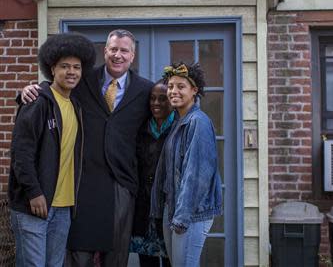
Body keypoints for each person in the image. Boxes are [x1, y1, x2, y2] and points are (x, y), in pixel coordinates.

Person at [20, 29, 153, 266]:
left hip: (121, 184)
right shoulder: (82, 79)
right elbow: (53, 90)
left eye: (124, 50)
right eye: (113, 49)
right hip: (81, 182)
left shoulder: (145, 90)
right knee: (77, 255)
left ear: (133, 55)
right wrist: (28, 92)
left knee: (116, 256)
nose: (118, 55)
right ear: (105, 51)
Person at [8, 33, 96, 267]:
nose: (71, 72)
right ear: (52, 68)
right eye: (64, 66)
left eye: (76, 67)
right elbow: (20, 153)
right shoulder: (37, 102)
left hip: (63, 207)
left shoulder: (76, 106)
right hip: (33, 204)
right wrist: (34, 192)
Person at [151, 62, 223, 266]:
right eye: (171, 86)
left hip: (190, 213)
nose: (173, 91)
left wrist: (182, 218)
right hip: (173, 209)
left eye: (181, 86)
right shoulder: (178, 122)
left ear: (194, 90)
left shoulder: (197, 122)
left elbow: (196, 175)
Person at [130, 79, 173, 267]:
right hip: (143, 208)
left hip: (167, 209)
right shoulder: (141, 128)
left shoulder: (179, 128)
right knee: (147, 262)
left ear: (172, 100)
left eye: (162, 99)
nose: (156, 103)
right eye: (153, 98)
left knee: (172, 260)